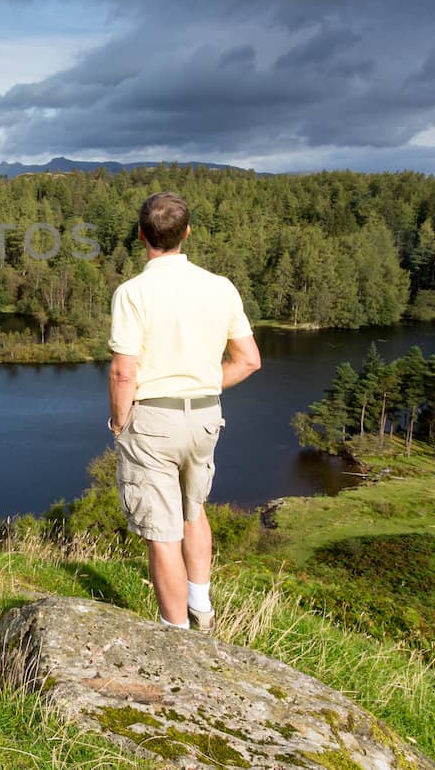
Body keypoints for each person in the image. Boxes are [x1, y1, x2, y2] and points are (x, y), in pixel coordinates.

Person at [106, 192, 261, 630]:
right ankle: (203, 610)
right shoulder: (220, 287)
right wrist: (207, 384)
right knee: (193, 509)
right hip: (206, 417)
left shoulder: (133, 293)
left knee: (161, 532)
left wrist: (121, 423)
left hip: (153, 419)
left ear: (141, 235)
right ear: (187, 233)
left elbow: (122, 373)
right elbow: (249, 360)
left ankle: (177, 637)